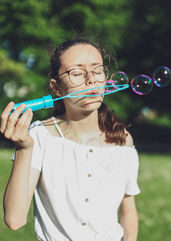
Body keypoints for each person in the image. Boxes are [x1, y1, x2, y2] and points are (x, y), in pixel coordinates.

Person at [1, 38, 140, 241]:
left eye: (97, 70)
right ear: (56, 88)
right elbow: (14, 220)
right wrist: (24, 148)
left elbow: (128, 210)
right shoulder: (40, 136)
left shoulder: (122, 140)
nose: (90, 80)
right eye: (77, 73)